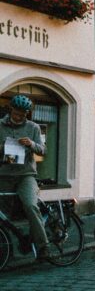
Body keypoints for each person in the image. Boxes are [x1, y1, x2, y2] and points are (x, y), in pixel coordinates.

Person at [0, 95, 49, 260]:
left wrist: (32, 144)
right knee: (2, 214)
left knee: (31, 206)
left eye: (23, 114)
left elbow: (43, 150)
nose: (19, 117)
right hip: (4, 174)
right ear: (11, 109)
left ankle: (43, 248)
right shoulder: (0, 125)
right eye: (16, 113)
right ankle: (5, 250)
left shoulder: (33, 127)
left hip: (25, 175)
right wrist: (3, 147)